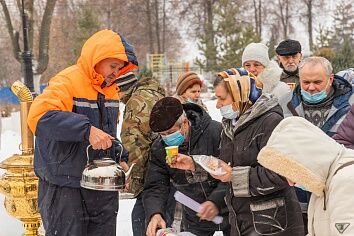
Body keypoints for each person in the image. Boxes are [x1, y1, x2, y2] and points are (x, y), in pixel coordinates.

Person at [27, 29, 138, 236]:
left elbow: (108, 134)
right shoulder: (67, 81)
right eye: (112, 66)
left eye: (120, 68)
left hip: (101, 188)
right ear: (97, 58)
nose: (116, 72)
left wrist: (120, 159)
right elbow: (39, 118)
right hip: (65, 187)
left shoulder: (111, 91)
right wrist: (85, 129)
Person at [171, 68, 304, 235]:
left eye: (221, 98)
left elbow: (283, 173)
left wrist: (234, 175)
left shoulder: (271, 122)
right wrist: (195, 164)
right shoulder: (231, 124)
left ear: (240, 95)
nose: (218, 104)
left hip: (274, 224)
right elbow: (227, 165)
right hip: (242, 221)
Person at [279, 56, 354, 233]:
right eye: (306, 82)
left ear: (331, 79)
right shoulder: (284, 103)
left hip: (338, 199)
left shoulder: (351, 104)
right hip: (296, 201)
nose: (311, 88)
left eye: (317, 82)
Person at [143, 97, 230, 236]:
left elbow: (230, 173)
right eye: (162, 135)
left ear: (184, 123)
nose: (166, 138)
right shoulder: (159, 147)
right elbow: (155, 185)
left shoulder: (215, 132)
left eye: (170, 132)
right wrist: (155, 213)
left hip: (229, 212)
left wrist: (215, 201)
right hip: (195, 217)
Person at [257, 116, 354, 236]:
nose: (291, 183)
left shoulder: (346, 180)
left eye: (290, 174)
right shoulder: (324, 182)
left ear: (303, 161)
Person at [116, 71, 166, 236]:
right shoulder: (153, 93)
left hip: (150, 178)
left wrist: (134, 182)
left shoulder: (135, 102)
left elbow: (135, 145)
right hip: (166, 174)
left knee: (142, 221)